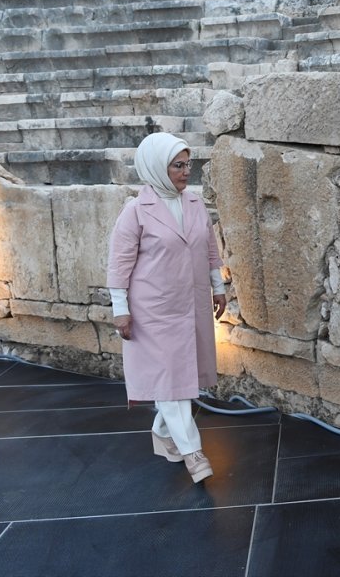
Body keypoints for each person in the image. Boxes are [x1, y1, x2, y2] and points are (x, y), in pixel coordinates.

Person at [106, 132, 226, 483]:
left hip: (190, 302)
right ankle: (193, 452)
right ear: (158, 167)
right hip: (153, 309)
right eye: (178, 165)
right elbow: (119, 264)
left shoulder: (194, 204)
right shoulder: (135, 211)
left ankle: (162, 431)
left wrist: (218, 288)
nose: (186, 171)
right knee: (172, 378)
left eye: (188, 164)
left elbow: (209, 250)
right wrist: (120, 309)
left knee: (178, 377)